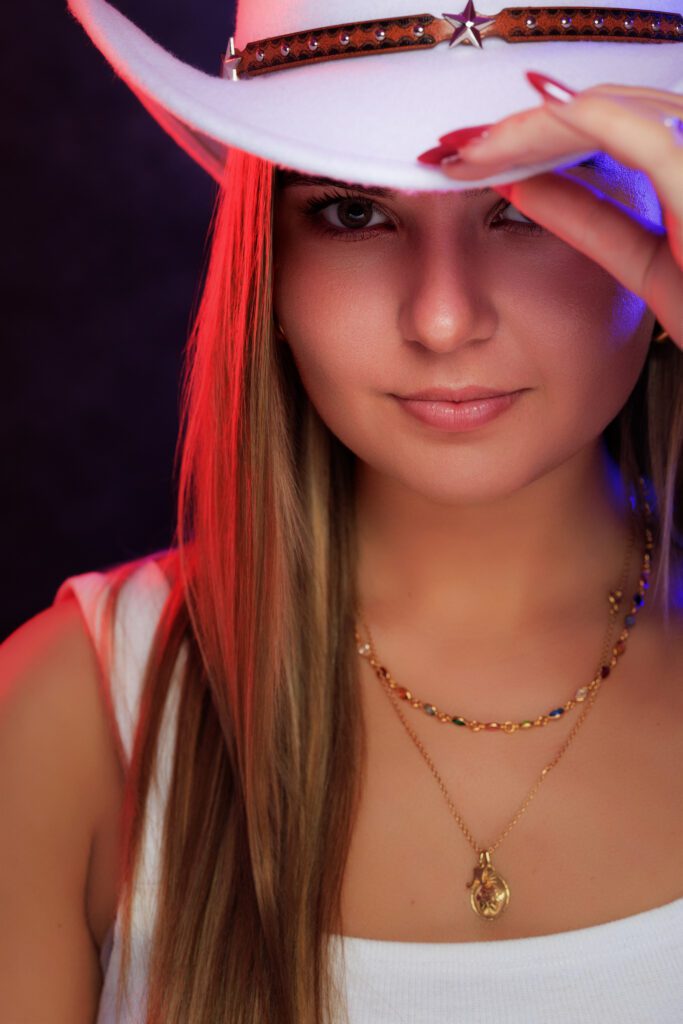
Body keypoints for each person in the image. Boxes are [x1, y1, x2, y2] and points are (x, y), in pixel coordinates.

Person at [1, 0, 682, 1021]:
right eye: (354, 212)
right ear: (267, 263)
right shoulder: (68, 717)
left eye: (530, 206)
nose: (442, 316)